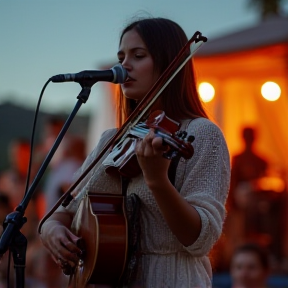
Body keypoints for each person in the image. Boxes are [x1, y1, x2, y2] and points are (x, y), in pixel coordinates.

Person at [39, 17, 231, 287]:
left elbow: (200, 238)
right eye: (121, 56)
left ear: (170, 63)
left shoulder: (202, 135)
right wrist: (53, 230)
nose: (124, 65)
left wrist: (157, 180)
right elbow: (62, 211)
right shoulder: (112, 138)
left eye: (138, 55)